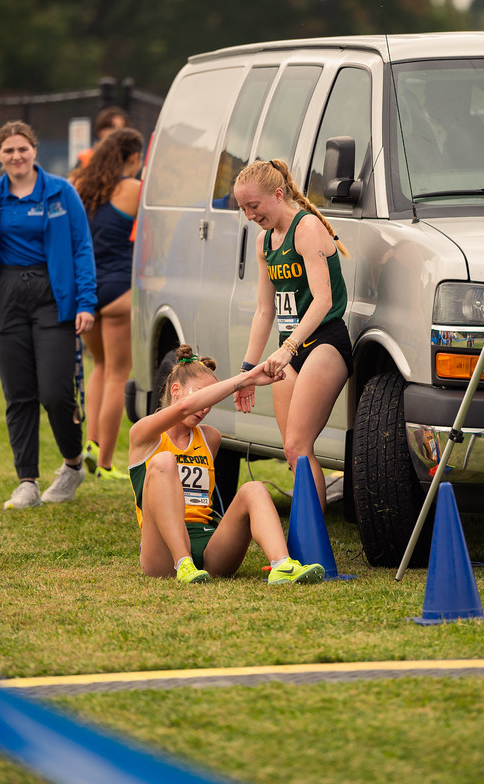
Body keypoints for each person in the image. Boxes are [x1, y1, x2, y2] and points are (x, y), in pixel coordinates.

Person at [0, 121, 97, 510]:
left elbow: (82, 247)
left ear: (34, 151)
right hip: (5, 298)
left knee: (55, 391)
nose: (16, 156)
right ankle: (27, 482)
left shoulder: (61, 192)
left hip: (54, 298)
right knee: (19, 394)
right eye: (8, 150)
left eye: (23, 149)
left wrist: (86, 302)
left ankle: (72, 465)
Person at [127, 344, 325, 585]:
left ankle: (281, 563)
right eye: (200, 396)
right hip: (161, 554)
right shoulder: (144, 435)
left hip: (211, 548)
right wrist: (247, 378)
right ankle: (183, 563)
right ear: (175, 390)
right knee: (164, 461)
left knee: (254, 488)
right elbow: (182, 409)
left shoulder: (210, 437)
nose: (205, 408)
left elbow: (189, 407)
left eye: (210, 402)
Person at [233, 159, 352, 510]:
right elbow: (264, 311)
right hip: (290, 351)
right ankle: (305, 542)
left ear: (278, 194)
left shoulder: (307, 227)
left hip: (324, 342)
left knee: (300, 445)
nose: (249, 214)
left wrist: (288, 347)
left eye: (253, 206)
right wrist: (247, 371)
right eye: (242, 208)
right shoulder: (264, 241)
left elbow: (324, 299)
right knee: (291, 451)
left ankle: (312, 548)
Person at [70, 128, 144, 481]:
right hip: (118, 291)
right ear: (132, 158)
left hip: (84, 292)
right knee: (117, 374)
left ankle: (92, 445)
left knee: (98, 366)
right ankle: (104, 464)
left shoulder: (77, 186)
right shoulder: (133, 190)